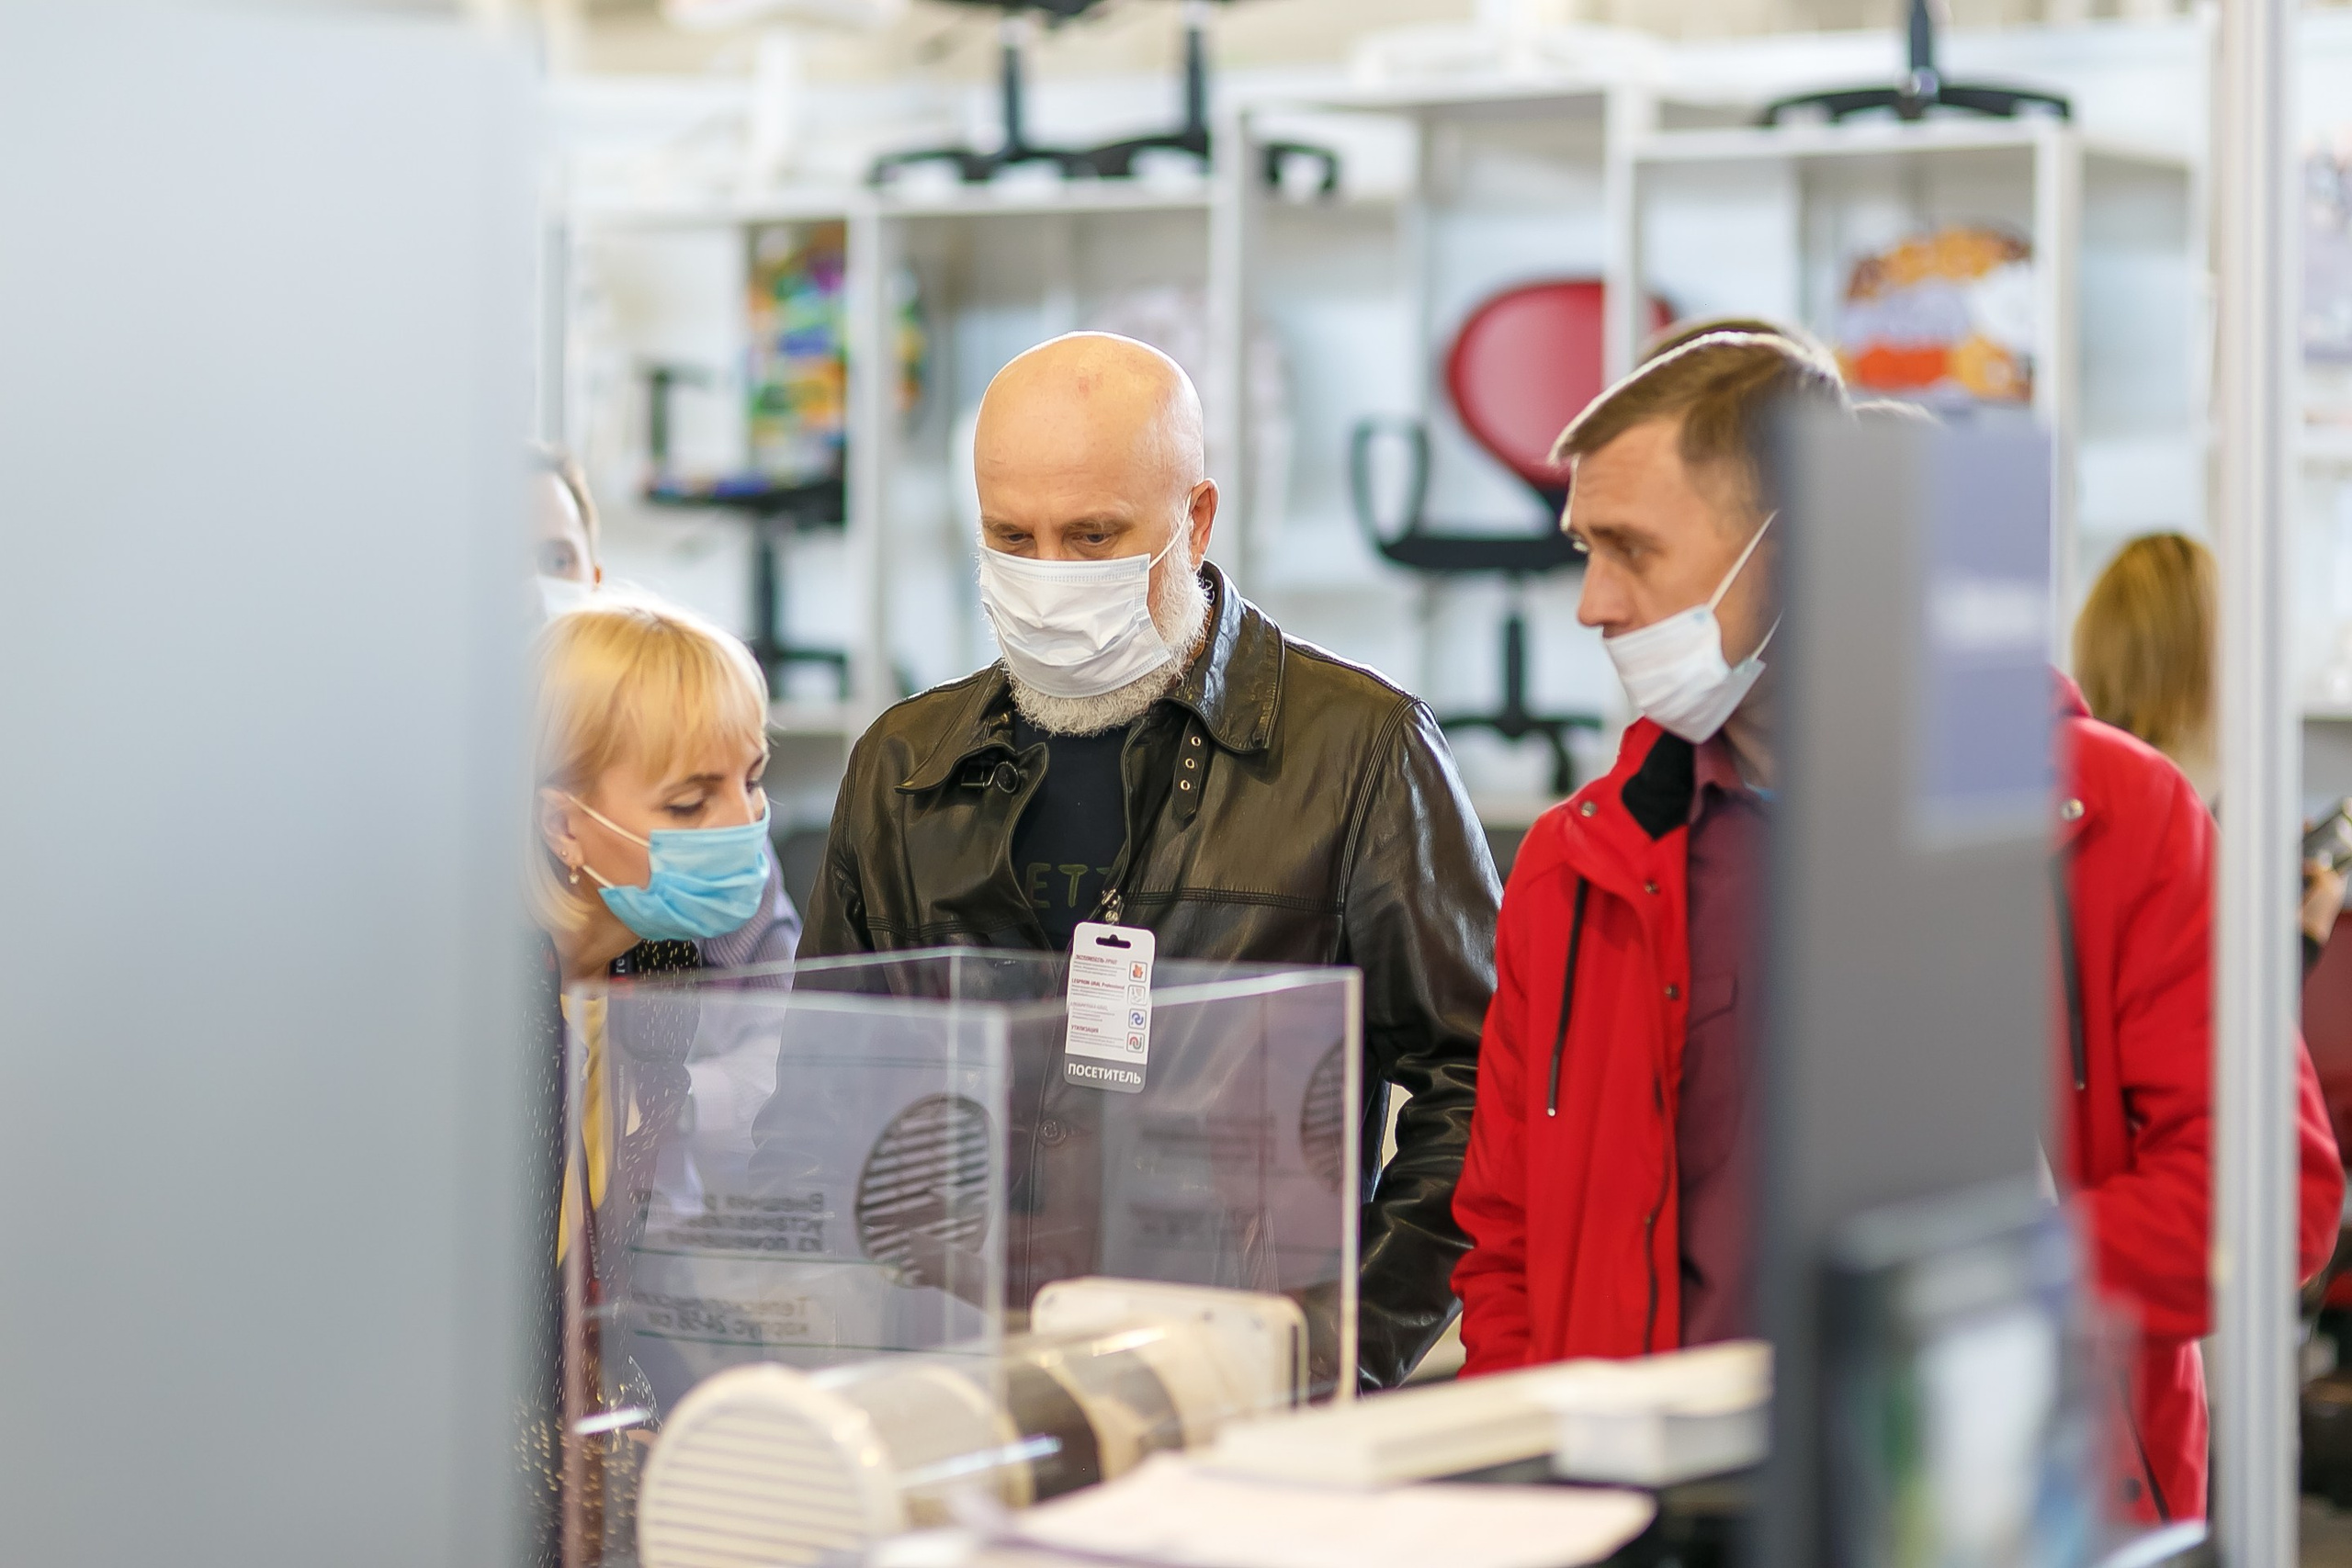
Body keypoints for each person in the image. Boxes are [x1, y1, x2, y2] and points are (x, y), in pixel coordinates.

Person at [1449, 331, 2345, 1522]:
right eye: (1585, 548)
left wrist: (1965, 1299)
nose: (1592, 602)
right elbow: (1507, 1243)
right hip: (1660, 1524)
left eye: (1632, 549)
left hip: (2008, 1515)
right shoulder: (1578, 867)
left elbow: (2265, 1194)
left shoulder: (2110, 820)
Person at [800, 331, 1499, 1390]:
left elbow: (1480, 1085)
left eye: (1092, 537)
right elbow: (820, 1087)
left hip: (1236, 1388)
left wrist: (1335, 1353)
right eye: (1010, 536)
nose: (1048, 578)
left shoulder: (1357, 752)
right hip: (951, 1380)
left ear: (1197, 517)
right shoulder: (905, 767)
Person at [528, 442, 800, 967]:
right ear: (560, 823)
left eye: (555, 559)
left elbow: (779, 1017)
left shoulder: (707, 829)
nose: (739, 819)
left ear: (595, 581)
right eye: (687, 805)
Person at [2074, 531, 2345, 964]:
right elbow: (2207, 1024)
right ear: (2200, 667)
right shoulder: (2172, 853)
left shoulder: (2095, 822)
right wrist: (2297, 946)